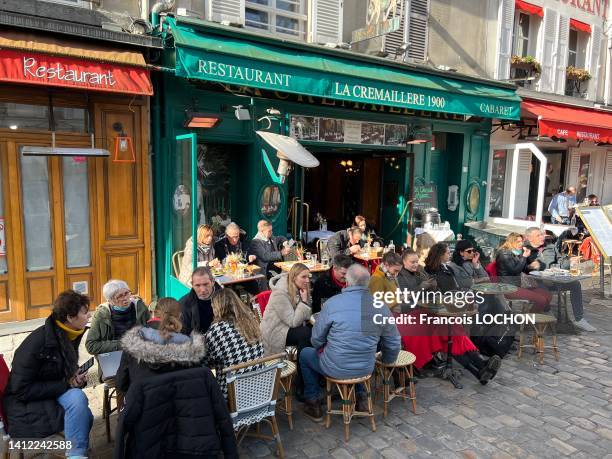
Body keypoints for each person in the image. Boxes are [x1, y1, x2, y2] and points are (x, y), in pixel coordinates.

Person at [299, 264, 401, 420]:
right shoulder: (380, 306)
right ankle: (360, 398)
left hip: (335, 367)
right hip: (366, 368)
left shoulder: (332, 303)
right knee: (358, 349)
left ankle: (312, 402)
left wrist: (326, 346)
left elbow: (316, 339)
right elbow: (393, 342)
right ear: (368, 282)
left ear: (347, 281)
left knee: (305, 354)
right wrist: (387, 360)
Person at [4, 290, 93, 458]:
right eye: (84, 312)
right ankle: (76, 454)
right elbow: (20, 390)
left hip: (52, 390)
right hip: (27, 402)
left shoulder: (69, 333)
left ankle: (75, 454)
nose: (89, 316)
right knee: (83, 412)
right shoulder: (37, 344)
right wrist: (67, 384)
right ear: (70, 317)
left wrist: (74, 378)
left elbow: (59, 371)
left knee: (81, 405)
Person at [115, 297, 207, 394]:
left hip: (143, 403)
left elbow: (121, 383)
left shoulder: (134, 340)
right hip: (178, 406)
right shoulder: (189, 345)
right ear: (179, 316)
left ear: (153, 313)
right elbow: (195, 385)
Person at [523, 227, 596, 331]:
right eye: (538, 235)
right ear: (529, 238)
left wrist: (569, 261)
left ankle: (579, 319)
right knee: (542, 288)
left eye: (542, 234)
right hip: (534, 283)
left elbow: (561, 261)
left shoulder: (551, 247)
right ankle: (548, 314)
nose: (542, 237)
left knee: (575, 284)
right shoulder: (525, 251)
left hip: (554, 280)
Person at [205, 289, 265, 398]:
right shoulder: (251, 321)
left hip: (233, 396)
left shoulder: (216, 330)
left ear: (217, 307)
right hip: (259, 390)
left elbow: (206, 363)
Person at [85, 279, 150, 356]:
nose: (125, 298)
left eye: (126, 293)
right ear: (110, 301)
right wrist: (122, 344)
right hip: (114, 356)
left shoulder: (140, 307)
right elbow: (91, 345)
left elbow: (153, 332)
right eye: (119, 296)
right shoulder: (102, 314)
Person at [260, 263, 312, 358]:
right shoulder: (280, 293)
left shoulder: (299, 288)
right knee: (305, 333)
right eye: (304, 277)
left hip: (288, 325)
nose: (307, 280)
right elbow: (293, 322)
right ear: (293, 277)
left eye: (308, 277)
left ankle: (310, 363)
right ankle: (303, 368)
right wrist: (304, 302)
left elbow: (307, 315)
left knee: (313, 329)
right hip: (275, 331)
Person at [496, 232, 552, 312]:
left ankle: (535, 315)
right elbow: (514, 271)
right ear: (511, 242)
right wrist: (524, 257)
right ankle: (531, 320)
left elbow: (522, 269)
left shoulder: (516, 252)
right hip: (508, 288)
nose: (521, 244)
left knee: (548, 295)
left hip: (518, 285)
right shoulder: (504, 254)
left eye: (522, 241)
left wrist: (532, 266)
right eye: (518, 242)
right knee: (541, 300)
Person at [179, 266, 221, 335]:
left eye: (206, 284)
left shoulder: (227, 299)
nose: (203, 290)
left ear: (213, 282)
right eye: (197, 285)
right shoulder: (184, 304)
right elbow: (183, 333)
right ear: (192, 284)